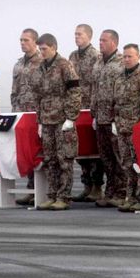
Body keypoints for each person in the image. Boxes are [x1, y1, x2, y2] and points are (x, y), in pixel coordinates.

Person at [33, 33, 81, 210]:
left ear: (53, 47)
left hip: (62, 120)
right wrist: (39, 120)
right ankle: (52, 195)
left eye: (44, 49)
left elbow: (75, 92)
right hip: (47, 120)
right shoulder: (41, 68)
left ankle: (63, 197)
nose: (42, 52)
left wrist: (71, 117)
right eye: (40, 49)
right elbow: (38, 96)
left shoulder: (64, 66)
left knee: (64, 159)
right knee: (50, 159)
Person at [112, 44, 140, 213]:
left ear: (138, 56)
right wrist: (115, 121)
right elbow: (115, 102)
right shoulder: (119, 77)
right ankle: (130, 197)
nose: (126, 59)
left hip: (136, 127)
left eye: (130, 56)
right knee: (126, 163)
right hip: (122, 127)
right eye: (124, 56)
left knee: (139, 164)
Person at [69, 24, 104, 202]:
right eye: (75, 34)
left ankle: (97, 186)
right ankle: (86, 185)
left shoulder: (96, 56)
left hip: (91, 108)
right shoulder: (72, 56)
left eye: (80, 34)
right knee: (81, 150)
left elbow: (98, 83)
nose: (77, 37)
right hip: (77, 108)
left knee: (94, 151)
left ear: (89, 36)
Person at [90, 29, 125, 208]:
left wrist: (117, 117)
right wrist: (93, 113)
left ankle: (122, 193)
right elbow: (94, 89)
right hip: (100, 117)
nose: (100, 43)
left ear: (113, 42)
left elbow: (123, 91)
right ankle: (110, 192)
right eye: (100, 40)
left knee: (119, 158)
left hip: (114, 119)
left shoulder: (121, 62)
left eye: (104, 40)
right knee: (106, 159)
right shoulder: (98, 63)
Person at [10, 28, 42, 205]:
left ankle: (42, 191)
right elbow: (14, 91)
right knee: (26, 151)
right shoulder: (19, 64)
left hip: (37, 115)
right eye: (21, 40)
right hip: (22, 114)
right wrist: (14, 112)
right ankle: (31, 189)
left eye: (26, 40)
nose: (22, 43)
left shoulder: (43, 61)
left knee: (39, 153)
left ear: (35, 42)